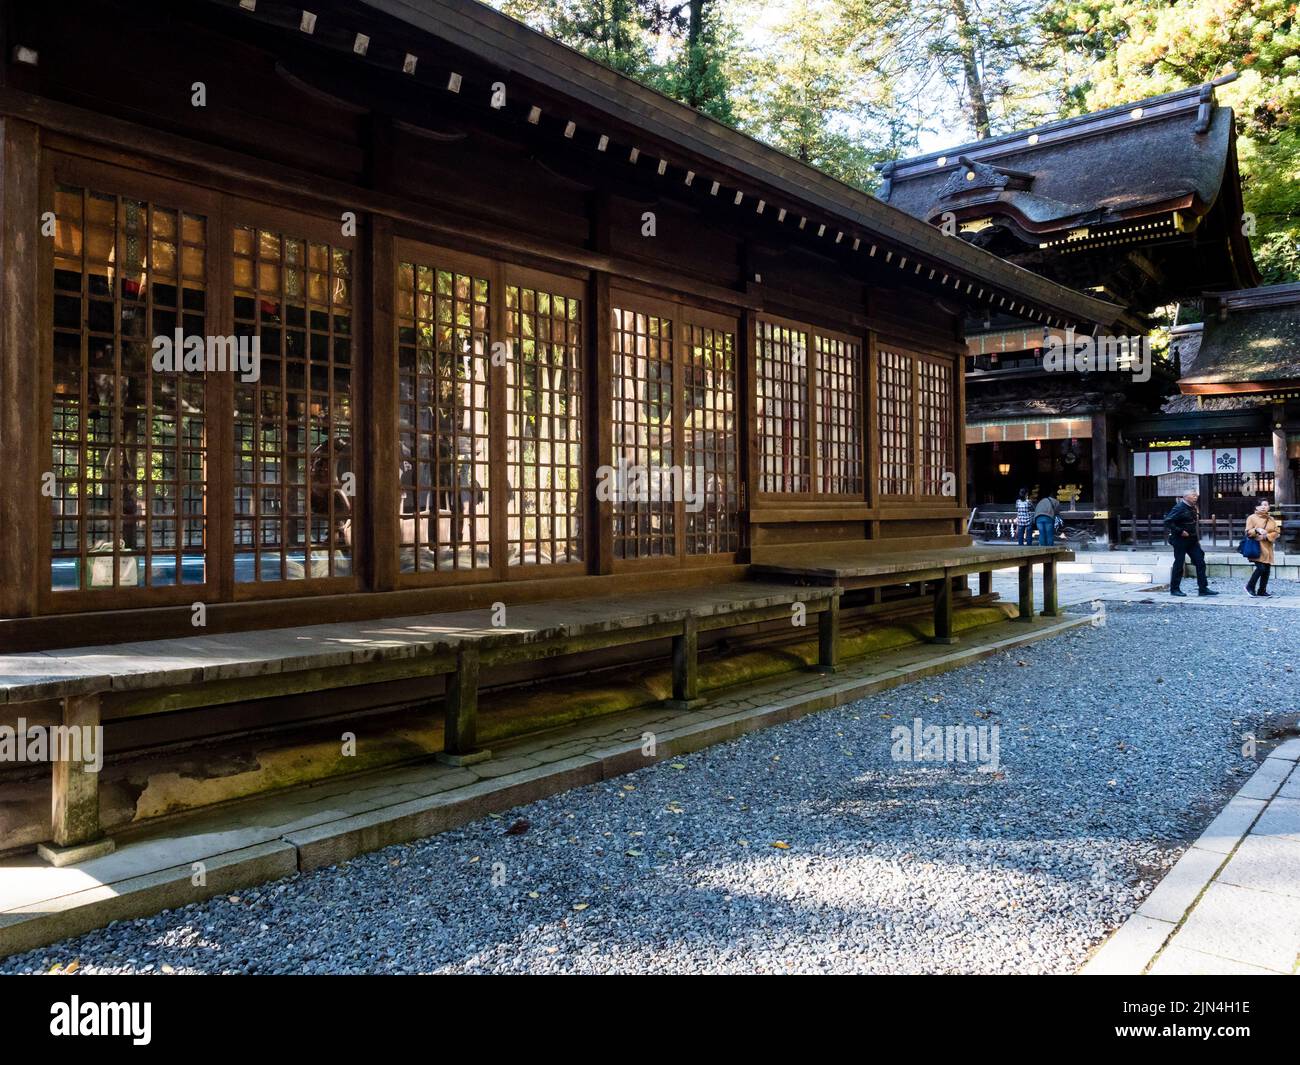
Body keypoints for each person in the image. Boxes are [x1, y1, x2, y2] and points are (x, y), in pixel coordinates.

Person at [1163, 489, 1218, 597]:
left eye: (1196, 495)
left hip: (1192, 540)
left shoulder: (1193, 507)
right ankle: (1174, 589)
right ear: (1186, 497)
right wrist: (1180, 531)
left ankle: (1203, 588)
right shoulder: (1179, 507)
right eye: (1193, 495)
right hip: (1179, 539)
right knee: (1179, 563)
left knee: (1200, 561)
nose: (1196, 497)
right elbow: (1167, 521)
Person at [1245, 498, 1281, 597]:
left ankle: (1262, 590)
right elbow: (1248, 532)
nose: (1265, 507)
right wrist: (1257, 530)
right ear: (1257, 507)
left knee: (1267, 569)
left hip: (1268, 547)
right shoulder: (1252, 518)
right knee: (1260, 568)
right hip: (1257, 547)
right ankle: (1249, 587)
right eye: (1262, 505)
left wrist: (1266, 536)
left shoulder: (1271, 519)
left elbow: (1277, 532)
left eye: (1266, 505)